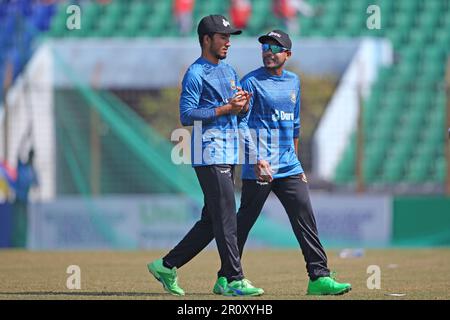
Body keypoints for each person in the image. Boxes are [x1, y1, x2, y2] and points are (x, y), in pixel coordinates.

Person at [215, 29, 352, 296]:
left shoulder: (294, 82)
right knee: (244, 222)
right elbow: (240, 124)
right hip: (260, 167)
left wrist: (297, 164)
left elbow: (296, 125)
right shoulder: (250, 82)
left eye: (275, 47)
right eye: (265, 46)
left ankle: (319, 277)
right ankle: (226, 277)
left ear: (287, 54)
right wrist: (255, 160)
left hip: (289, 166)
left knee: (305, 218)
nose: (268, 51)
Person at [147, 15, 264, 297]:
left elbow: (237, 114)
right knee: (226, 217)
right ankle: (233, 279)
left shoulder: (229, 70)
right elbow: (187, 115)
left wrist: (243, 106)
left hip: (229, 150)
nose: (228, 42)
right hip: (208, 152)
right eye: (223, 37)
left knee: (213, 221)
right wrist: (225, 108)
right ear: (206, 39)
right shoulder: (195, 73)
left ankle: (166, 265)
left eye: (229, 37)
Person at [12, 148, 38, 248]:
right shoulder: (21, 167)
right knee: (17, 223)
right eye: (30, 157)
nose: (31, 159)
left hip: (25, 201)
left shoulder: (32, 170)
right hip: (18, 199)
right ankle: (16, 244)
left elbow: (36, 185)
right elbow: (18, 153)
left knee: (24, 223)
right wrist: (25, 137)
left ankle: (23, 244)